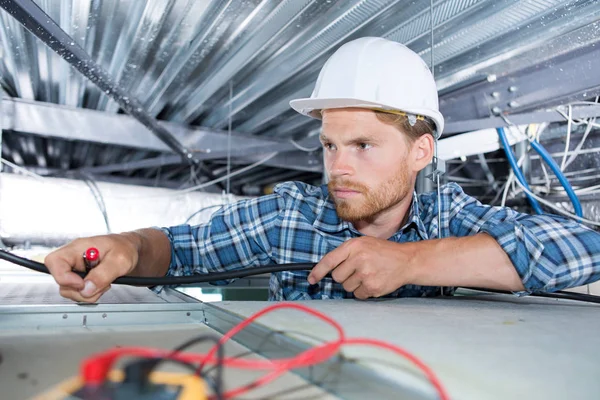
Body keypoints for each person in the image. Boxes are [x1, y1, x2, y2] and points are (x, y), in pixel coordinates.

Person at [45, 37, 600, 303]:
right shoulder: (291, 216)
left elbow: (584, 248)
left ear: (421, 152)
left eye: (363, 144)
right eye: (330, 145)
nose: (339, 167)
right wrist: (126, 247)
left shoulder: (449, 218)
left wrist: (411, 261)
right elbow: (183, 249)